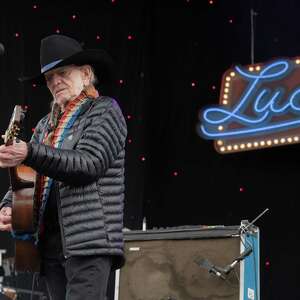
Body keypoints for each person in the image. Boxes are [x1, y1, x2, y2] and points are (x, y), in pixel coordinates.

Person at [0, 34, 127, 300]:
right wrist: (8, 205)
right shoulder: (47, 124)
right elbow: (28, 173)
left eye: (62, 73)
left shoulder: (105, 111)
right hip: (48, 247)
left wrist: (29, 151)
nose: (55, 81)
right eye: (49, 78)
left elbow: (88, 164)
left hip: (88, 243)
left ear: (86, 74)